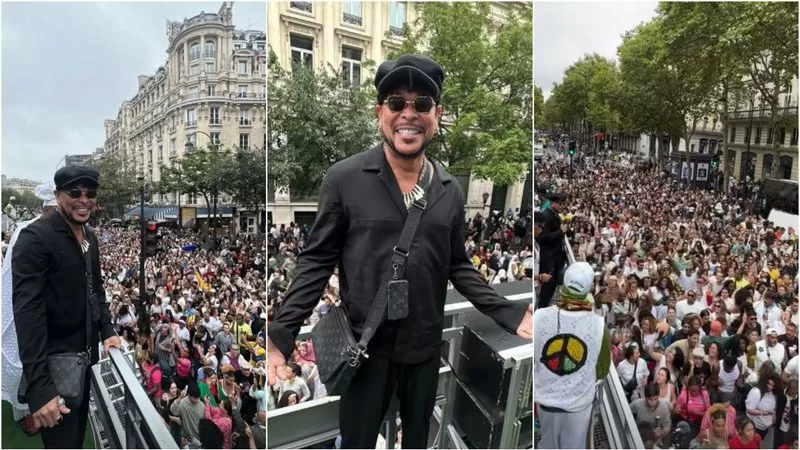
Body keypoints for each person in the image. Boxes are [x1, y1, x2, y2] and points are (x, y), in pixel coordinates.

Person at [267, 54, 531, 449]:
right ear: (380, 113)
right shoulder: (344, 178)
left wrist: (509, 312)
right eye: (396, 103)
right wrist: (281, 334)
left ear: (436, 114)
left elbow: (459, 265)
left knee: (417, 441)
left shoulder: (449, 189)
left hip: (423, 349)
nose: (409, 113)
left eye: (421, 103)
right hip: (364, 350)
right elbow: (316, 261)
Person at [12, 166, 121, 448]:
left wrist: (107, 330)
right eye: (75, 192)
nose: (84, 199)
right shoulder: (34, 238)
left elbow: (95, 291)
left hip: (85, 368)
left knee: (75, 442)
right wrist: (40, 388)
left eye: (90, 193)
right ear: (59, 195)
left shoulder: (91, 237)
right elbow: (28, 315)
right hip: (54, 371)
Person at [1, 182, 58, 436]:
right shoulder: (26, 231)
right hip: (26, 308)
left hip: (51, 311)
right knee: (27, 360)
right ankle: (27, 411)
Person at [534, 262, 611, 449]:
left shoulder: (539, 316)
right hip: (578, 406)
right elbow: (602, 371)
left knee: (548, 443)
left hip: (545, 401)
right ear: (590, 287)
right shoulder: (600, 326)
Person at [535, 192, 567, 309]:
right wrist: (560, 232)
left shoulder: (554, 215)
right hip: (549, 258)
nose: (562, 206)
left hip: (555, 257)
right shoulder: (547, 216)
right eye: (560, 204)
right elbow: (542, 237)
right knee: (546, 290)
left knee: (551, 289)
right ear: (553, 203)